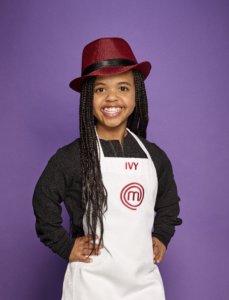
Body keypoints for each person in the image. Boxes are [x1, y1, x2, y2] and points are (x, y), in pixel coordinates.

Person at [32, 37, 182, 300]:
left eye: (123, 88)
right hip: (92, 283)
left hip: (143, 284)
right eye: (100, 90)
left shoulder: (155, 157)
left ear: (137, 95)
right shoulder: (73, 157)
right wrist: (65, 246)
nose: (112, 97)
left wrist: (161, 235)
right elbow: (43, 198)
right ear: (88, 98)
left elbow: (169, 202)